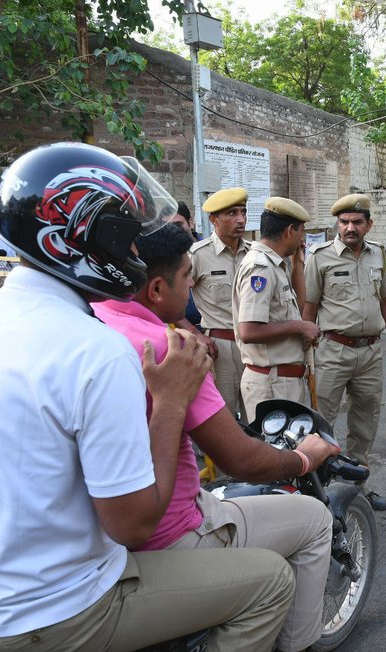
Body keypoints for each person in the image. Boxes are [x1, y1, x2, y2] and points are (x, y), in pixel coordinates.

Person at [0, 143, 295, 652]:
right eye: (128, 236)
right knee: (269, 581)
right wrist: (170, 403)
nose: (136, 252)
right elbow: (133, 524)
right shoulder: (96, 352)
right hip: (50, 612)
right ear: (90, 238)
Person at [94, 222, 339, 652]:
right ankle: (300, 644)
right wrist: (303, 459)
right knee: (315, 521)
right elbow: (239, 459)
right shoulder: (171, 351)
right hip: (173, 531)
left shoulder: (98, 317)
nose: (194, 286)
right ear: (155, 289)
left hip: (105, 532)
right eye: (189, 277)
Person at [303, 193, 386, 511]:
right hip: (333, 350)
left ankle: (356, 488)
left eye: (357, 222)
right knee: (321, 423)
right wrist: (304, 356)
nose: (349, 227)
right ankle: (316, 493)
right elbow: (310, 308)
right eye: (344, 222)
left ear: (369, 225)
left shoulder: (377, 256)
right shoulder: (319, 257)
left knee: (365, 423)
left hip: (370, 353)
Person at [234, 197, 317, 411]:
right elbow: (248, 330)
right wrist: (300, 327)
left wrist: (297, 266)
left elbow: (294, 311)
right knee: (275, 446)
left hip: (282, 382)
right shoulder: (260, 267)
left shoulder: (275, 263)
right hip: (271, 384)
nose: (302, 238)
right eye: (301, 232)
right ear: (290, 231)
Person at [189, 187, 252, 418]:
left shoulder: (255, 254)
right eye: (232, 213)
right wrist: (195, 334)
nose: (241, 219)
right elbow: (170, 298)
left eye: (243, 212)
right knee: (222, 417)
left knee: (257, 417)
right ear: (213, 219)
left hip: (255, 346)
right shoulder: (198, 255)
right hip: (220, 347)